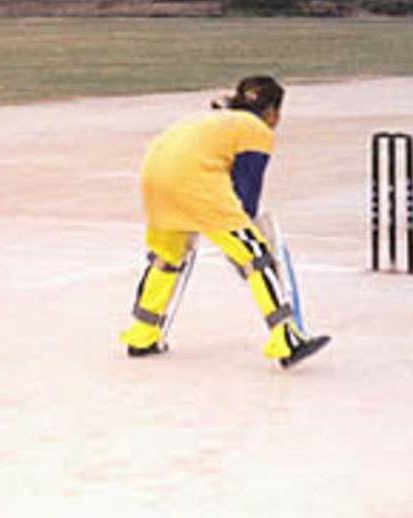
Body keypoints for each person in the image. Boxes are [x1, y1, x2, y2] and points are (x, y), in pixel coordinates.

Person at [119, 76, 330, 368]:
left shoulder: (218, 120)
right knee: (257, 258)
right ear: (272, 112)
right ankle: (287, 338)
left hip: (155, 175)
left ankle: (142, 335)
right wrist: (246, 237)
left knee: (166, 259)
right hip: (194, 182)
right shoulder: (256, 130)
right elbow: (246, 191)